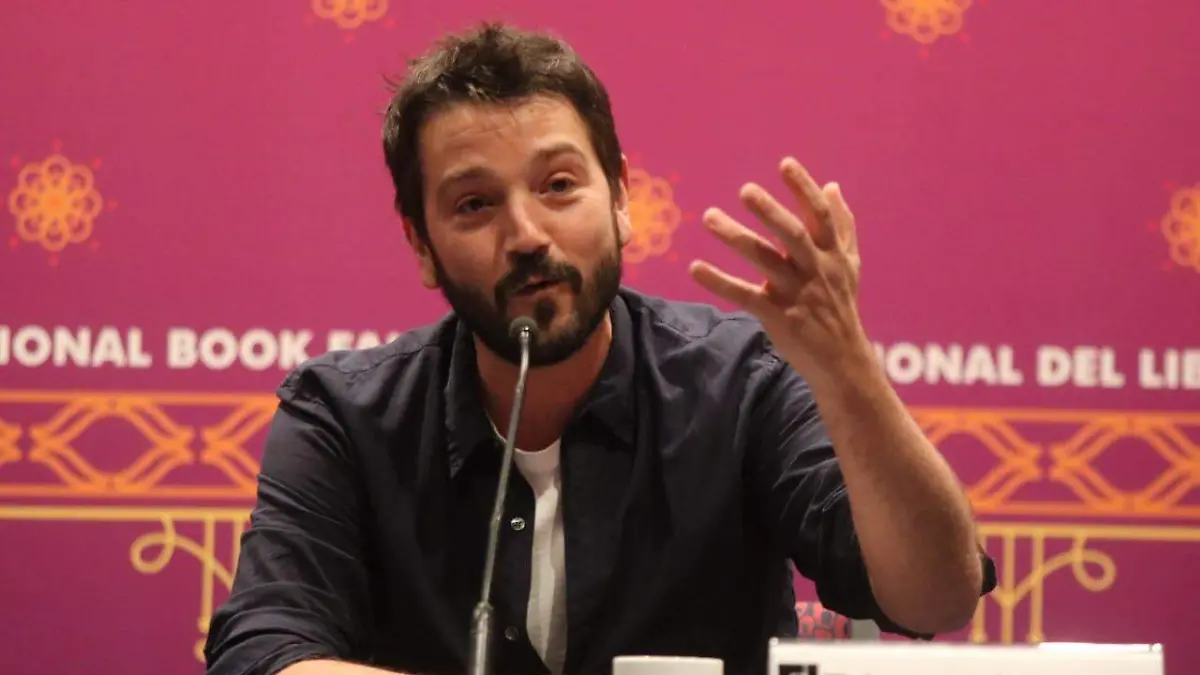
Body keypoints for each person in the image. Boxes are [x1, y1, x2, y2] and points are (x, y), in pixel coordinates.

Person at [204, 21, 996, 675]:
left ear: (619, 198)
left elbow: (936, 596)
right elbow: (262, 651)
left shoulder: (741, 381)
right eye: (475, 203)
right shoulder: (344, 415)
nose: (526, 234)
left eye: (558, 186)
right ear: (421, 243)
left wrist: (849, 371)